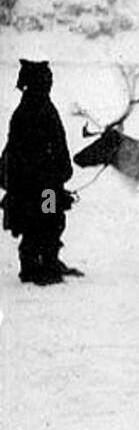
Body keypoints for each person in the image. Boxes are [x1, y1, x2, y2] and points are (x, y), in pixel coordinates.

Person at [0, 59, 80, 284]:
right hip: (44, 186)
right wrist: (60, 172)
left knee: (40, 222)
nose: (49, 83)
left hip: (34, 186)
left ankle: (40, 265)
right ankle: (42, 267)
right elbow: (50, 146)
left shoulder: (28, 108)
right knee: (47, 221)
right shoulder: (39, 109)